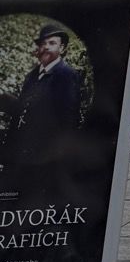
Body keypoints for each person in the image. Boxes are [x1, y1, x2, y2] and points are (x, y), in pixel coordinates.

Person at [0, 22, 83, 182]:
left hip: (44, 155)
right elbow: (23, 111)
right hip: (21, 152)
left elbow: (68, 119)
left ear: (62, 48)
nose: (46, 47)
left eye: (52, 43)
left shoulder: (66, 75)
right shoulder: (32, 76)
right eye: (43, 43)